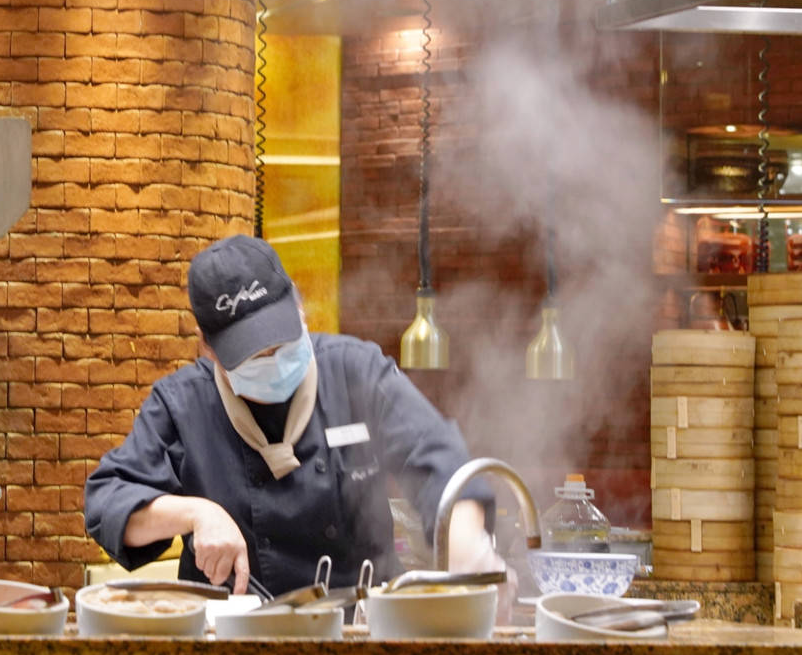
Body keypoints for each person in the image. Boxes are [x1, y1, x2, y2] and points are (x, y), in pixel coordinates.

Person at [85, 234, 509, 596]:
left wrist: (469, 549)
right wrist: (197, 513)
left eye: (281, 343)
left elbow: (440, 461)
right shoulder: (183, 405)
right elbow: (107, 503)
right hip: (234, 646)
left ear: (299, 307)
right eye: (253, 354)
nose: (272, 360)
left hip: (360, 634)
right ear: (207, 347)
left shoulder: (354, 371)